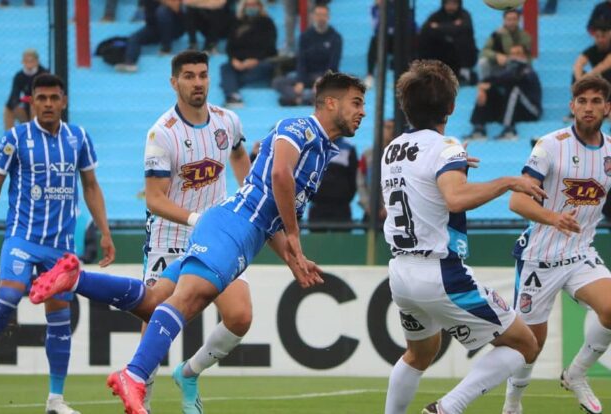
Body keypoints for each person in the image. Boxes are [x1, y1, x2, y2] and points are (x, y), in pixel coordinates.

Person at [27, 72, 364, 414]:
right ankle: (135, 374)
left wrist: (293, 257)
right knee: (188, 300)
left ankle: (74, 279)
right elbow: (279, 177)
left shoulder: (322, 151)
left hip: (240, 233)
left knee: (155, 299)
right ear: (331, 102)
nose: (361, 111)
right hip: (231, 227)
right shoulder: (299, 129)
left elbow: (273, 216)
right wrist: (295, 236)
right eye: (356, 102)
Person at [381, 60, 543, 414]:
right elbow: (455, 198)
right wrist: (507, 181)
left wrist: (454, 166)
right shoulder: (446, 147)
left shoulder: (392, 149)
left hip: (401, 272)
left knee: (419, 353)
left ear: (406, 107)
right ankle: (447, 409)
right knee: (524, 344)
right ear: (452, 107)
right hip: (440, 273)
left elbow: (429, 188)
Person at [0, 74, 118, 414]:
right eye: (40, 98)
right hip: (22, 239)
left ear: (64, 101)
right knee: (10, 295)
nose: (47, 104)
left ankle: (55, 400)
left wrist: (105, 231)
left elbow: (90, 186)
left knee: (60, 319)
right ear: (31, 101)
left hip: (60, 249)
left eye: (53, 98)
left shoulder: (79, 138)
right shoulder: (14, 138)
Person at [136, 50, 251, 412]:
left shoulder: (227, 121)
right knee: (154, 319)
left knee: (240, 316)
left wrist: (247, 202)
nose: (197, 82)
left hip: (215, 236)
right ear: (174, 82)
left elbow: (238, 156)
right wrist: (193, 219)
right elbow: (154, 199)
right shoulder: (162, 133)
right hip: (170, 236)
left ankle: (189, 372)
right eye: (189, 76)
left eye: (202, 75)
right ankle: (143, 403)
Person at [502, 74, 611, 414]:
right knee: (531, 345)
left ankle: (576, 374)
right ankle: (512, 404)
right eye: (582, 101)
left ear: (607, 107)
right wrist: (553, 218)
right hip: (540, 259)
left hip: (580, 254)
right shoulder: (551, 144)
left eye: (596, 101)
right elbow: (517, 203)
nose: (588, 107)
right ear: (571, 107)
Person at [465, 45, 542, 141]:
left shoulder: (528, 70)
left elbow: (513, 78)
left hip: (531, 111)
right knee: (488, 90)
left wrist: (490, 84)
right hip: (513, 111)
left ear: (525, 56)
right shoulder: (508, 70)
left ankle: (509, 130)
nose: (514, 57)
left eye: (518, 53)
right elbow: (492, 79)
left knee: (515, 89)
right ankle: (479, 129)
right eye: (512, 54)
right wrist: (482, 88)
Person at [273, 3, 342, 107]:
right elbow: (301, 60)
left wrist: (322, 80)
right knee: (277, 82)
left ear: (328, 17)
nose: (321, 18)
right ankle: (306, 99)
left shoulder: (335, 38)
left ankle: (297, 99)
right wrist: (300, 80)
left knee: (338, 86)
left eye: (323, 15)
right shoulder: (305, 36)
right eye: (318, 15)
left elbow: (333, 64)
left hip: (325, 76)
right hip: (307, 75)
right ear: (313, 16)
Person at [220, 0, 277, 107]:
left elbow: (271, 48)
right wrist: (234, 60)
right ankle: (234, 96)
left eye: (254, 5)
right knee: (225, 67)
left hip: (260, 62)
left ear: (259, 6)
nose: (251, 7)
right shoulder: (236, 23)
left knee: (267, 67)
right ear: (244, 6)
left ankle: (230, 84)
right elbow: (229, 47)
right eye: (248, 5)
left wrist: (255, 60)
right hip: (239, 63)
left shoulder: (267, 23)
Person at [115, 0, 185, 73]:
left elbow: (176, 8)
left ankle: (166, 49)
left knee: (162, 11)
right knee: (134, 38)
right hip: (154, 28)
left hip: (174, 28)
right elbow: (149, 20)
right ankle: (130, 62)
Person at [418, 0, 477, 85]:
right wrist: (453, 27)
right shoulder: (436, 15)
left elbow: (464, 28)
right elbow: (426, 28)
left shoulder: (464, 15)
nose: (451, 6)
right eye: (448, 3)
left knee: (463, 37)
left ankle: (464, 73)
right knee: (426, 36)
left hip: (460, 56)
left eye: (454, 3)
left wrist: (438, 27)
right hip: (442, 54)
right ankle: (426, 69)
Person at [307, 135, 357, 229]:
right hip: (318, 207)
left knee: (342, 241)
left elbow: (353, 178)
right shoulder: (313, 145)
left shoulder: (348, 147)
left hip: (341, 208)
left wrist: (344, 198)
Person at [478, 9, 532, 81]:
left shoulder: (525, 36)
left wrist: (512, 57)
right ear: (504, 20)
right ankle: (484, 84)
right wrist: (496, 56)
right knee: (483, 62)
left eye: (514, 19)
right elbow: (484, 51)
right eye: (509, 19)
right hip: (499, 65)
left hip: (516, 65)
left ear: (519, 20)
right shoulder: (497, 34)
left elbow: (528, 57)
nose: (511, 22)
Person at [357, 118, 395, 222]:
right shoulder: (368, 155)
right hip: (371, 212)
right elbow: (361, 183)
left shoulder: (403, 156)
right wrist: (368, 206)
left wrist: (390, 208)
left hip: (395, 214)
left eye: (393, 128)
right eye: (388, 127)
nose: (391, 131)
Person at [3, 49, 49, 130]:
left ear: (37, 61)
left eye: (31, 61)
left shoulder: (44, 74)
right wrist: (17, 103)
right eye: (26, 60)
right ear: (22, 62)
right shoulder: (19, 76)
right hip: (27, 105)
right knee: (8, 109)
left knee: (34, 105)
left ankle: (36, 134)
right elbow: (13, 97)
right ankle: (10, 138)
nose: (29, 63)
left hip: (42, 107)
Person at [573, 19, 611, 86]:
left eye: (603, 36)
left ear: (609, 35)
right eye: (597, 37)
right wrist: (579, 79)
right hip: (595, 77)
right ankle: (578, 94)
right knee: (576, 74)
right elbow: (578, 64)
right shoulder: (592, 50)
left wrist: (586, 78)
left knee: (607, 73)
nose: (600, 40)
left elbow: (604, 65)